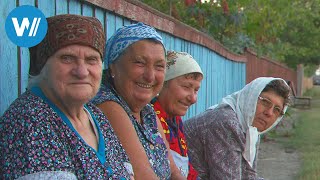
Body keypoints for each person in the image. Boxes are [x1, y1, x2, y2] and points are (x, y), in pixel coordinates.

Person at [0, 14, 132, 179]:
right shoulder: (30, 120)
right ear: (43, 66)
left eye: (92, 60)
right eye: (67, 58)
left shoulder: (95, 115)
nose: (82, 72)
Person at [91, 23, 185, 179]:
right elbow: (143, 175)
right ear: (113, 66)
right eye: (140, 63)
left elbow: (174, 172)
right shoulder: (107, 104)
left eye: (159, 66)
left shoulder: (147, 111)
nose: (150, 76)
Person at [184, 77, 291, 179]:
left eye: (277, 110)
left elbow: (248, 176)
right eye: (265, 102)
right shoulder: (226, 123)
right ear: (251, 97)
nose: (269, 113)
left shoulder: (250, 128)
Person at [151, 51, 203, 179]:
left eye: (196, 90)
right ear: (163, 84)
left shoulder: (175, 121)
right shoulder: (149, 119)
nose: (193, 98)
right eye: (186, 87)